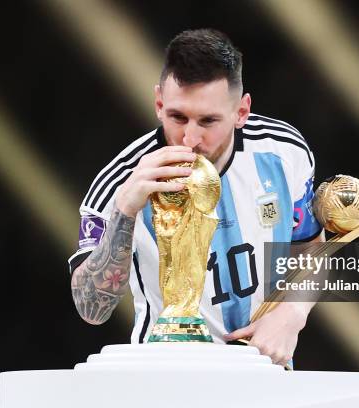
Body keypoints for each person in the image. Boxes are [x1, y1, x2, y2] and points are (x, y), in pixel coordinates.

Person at [68, 28, 325, 367]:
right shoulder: (121, 181)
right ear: (159, 103)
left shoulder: (284, 151)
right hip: (165, 377)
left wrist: (293, 312)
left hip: (266, 375)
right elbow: (91, 309)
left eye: (208, 120)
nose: (190, 138)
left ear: (241, 112)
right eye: (177, 116)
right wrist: (126, 209)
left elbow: (310, 247)